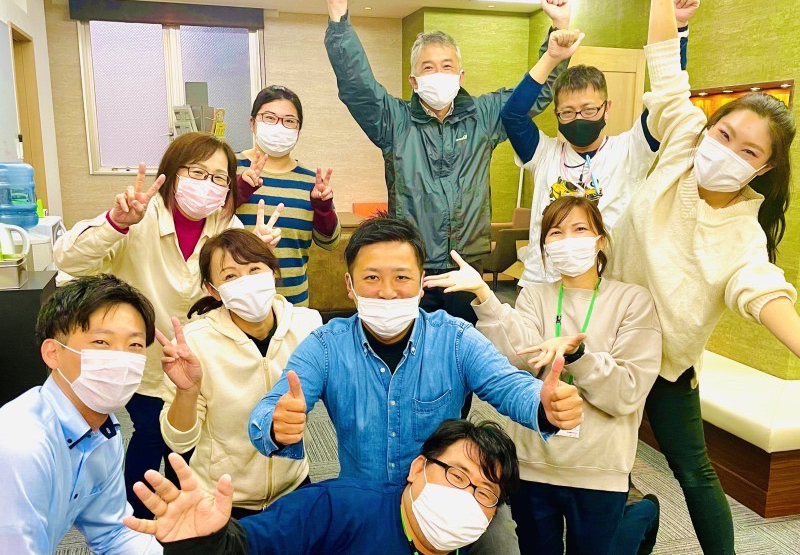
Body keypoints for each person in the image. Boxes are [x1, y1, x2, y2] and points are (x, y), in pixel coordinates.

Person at [248, 213, 583, 555]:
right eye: (372, 277)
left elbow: (508, 384)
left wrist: (545, 405)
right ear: (350, 285)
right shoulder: (325, 346)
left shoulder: (454, 338)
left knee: (501, 546)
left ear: (422, 283)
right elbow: (268, 411)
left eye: (402, 277)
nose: (388, 292)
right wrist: (276, 425)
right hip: (366, 504)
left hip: (452, 495)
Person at [608, 0, 800, 552]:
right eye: (725, 134)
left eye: (749, 151)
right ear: (710, 128)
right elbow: (664, 58)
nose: (727, 151)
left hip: (669, 364)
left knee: (694, 471)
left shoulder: (744, 233)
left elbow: (762, 290)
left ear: (763, 169)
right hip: (604, 339)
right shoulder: (683, 140)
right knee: (595, 461)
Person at [322, 0, 569, 324]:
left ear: (460, 74)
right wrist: (338, 12)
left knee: (462, 346)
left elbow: (534, 95)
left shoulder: (484, 115)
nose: (439, 73)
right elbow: (357, 86)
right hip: (412, 264)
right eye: (428, 67)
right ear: (414, 80)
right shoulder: (394, 121)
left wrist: (558, 31)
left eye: (447, 66)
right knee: (411, 344)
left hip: (467, 265)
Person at [53, 132, 282, 518]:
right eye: (197, 172)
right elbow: (69, 260)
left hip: (200, 362)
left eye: (219, 177)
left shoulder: (227, 224)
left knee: (189, 443)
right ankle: (136, 519)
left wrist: (253, 256)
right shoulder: (139, 217)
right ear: (173, 173)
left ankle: (185, 516)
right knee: (149, 435)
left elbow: (240, 291)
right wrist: (115, 224)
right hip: (146, 360)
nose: (208, 184)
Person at [424, 196, 661, 555]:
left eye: (580, 229)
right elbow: (516, 360)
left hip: (599, 468)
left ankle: (641, 513)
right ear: (546, 246)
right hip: (533, 463)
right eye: (556, 232)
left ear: (600, 240)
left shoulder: (633, 301)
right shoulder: (535, 297)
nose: (568, 240)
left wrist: (578, 356)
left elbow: (626, 392)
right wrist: (485, 295)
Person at [502, 0, 699, 287]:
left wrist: (678, 27)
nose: (578, 118)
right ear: (556, 114)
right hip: (541, 285)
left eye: (589, 109)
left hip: (608, 286)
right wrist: (552, 58)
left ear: (607, 108)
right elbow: (512, 115)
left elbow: (666, 96)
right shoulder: (544, 154)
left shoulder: (632, 149)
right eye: (568, 112)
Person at [124, 419, 520, 555]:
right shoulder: (336, 507)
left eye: (485, 493)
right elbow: (250, 547)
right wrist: (201, 541)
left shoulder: (473, 545)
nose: (465, 497)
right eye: (456, 476)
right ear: (418, 467)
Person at [158, 229, 323, 519]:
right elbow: (179, 441)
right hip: (222, 498)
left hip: (294, 487)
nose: (246, 281)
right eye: (231, 276)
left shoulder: (307, 325)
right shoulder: (195, 343)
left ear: (272, 272)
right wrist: (187, 392)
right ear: (213, 290)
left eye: (254, 269)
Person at [0, 275, 162, 554]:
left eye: (134, 345)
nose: (121, 358)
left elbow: (113, 533)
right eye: (101, 342)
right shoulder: (22, 443)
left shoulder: (104, 432)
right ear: (53, 353)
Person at [236, 85, 342, 307]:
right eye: (269, 118)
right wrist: (240, 191)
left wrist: (323, 209)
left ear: (298, 130)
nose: (279, 126)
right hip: (236, 301)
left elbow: (330, 242)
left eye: (289, 121)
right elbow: (209, 224)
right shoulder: (230, 168)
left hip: (294, 306)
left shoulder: (311, 181)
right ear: (252, 123)